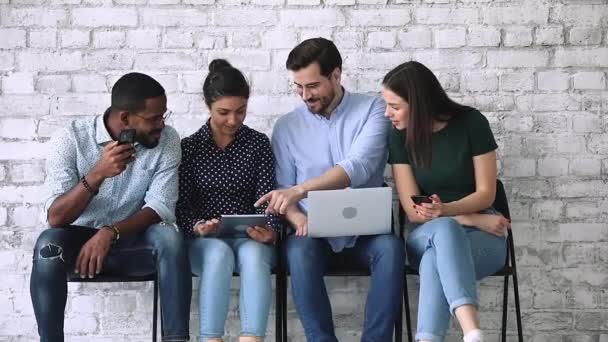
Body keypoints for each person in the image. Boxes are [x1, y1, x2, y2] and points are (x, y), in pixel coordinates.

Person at [255, 38, 404, 342]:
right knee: (297, 251)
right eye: (298, 86)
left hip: (367, 232)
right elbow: (284, 190)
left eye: (312, 86)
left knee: (391, 249)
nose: (305, 95)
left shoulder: (374, 109)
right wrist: (298, 220)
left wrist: (302, 190)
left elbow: (358, 166)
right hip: (313, 234)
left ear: (336, 75)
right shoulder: (286, 127)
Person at [30, 72, 191, 342]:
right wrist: (97, 174)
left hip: (132, 242)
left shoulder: (167, 140)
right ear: (125, 118)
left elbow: (160, 206)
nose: (161, 124)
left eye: (163, 115)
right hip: (79, 248)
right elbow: (56, 217)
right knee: (48, 246)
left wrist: (110, 231)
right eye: (153, 118)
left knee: (169, 237)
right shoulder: (71, 139)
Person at [384, 61, 509, 342]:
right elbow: (414, 211)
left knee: (434, 262)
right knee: (444, 232)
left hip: (485, 238)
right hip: (428, 232)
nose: (387, 113)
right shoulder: (398, 135)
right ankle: (472, 332)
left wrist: (448, 210)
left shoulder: (471, 123)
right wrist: (468, 217)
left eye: (394, 106)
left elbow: (486, 193)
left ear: (419, 103)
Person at [176, 59, 280, 342]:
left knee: (254, 254)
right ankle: (210, 338)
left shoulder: (258, 144)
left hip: (251, 238)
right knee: (218, 253)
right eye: (224, 112)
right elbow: (181, 206)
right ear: (208, 106)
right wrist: (197, 226)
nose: (233, 120)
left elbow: (269, 197)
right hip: (205, 242)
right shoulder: (189, 148)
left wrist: (269, 230)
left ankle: (252, 338)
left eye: (241, 111)